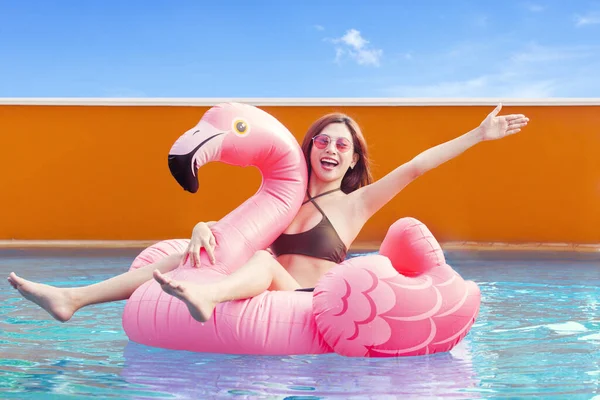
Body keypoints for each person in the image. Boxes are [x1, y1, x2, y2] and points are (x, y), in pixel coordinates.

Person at [7, 104, 529, 324]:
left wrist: (478, 135)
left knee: (258, 260)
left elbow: (415, 167)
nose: (329, 149)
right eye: (321, 140)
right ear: (308, 148)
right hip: (263, 294)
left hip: (305, 305)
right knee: (218, 247)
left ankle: (206, 296)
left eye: (341, 145)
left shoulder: (354, 203)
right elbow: (233, 233)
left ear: (352, 159)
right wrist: (201, 229)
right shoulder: (283, 201)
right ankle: (72, 297)